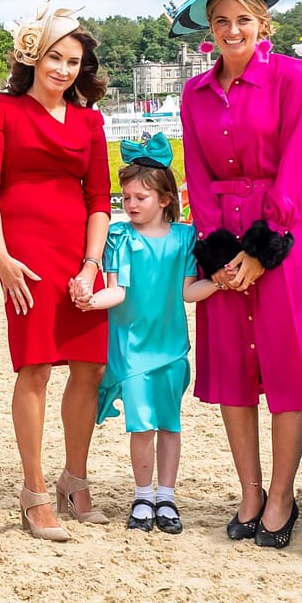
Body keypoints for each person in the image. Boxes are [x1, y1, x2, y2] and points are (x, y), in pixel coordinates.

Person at [174, 0, 302, 550]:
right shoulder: (194, 92)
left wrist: (264, 250)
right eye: (220, 22)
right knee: (234, 370)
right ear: (209, 32)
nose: (231, 31)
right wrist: (218, 255)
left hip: (282, 241)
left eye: (242, 19)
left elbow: (298, 159)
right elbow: (196, 170)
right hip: (221, 239)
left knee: (285, 369)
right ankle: (251, 490)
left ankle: (284, 494)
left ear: (263, 22)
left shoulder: (291, 77)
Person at [0, 3, 114, 543]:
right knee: (34, 369)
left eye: (74, 61)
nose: (63, 69)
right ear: (33, 57)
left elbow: (100, 197)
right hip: (24, 258)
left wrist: (91, 264)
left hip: (80, 255)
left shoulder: (89, 121)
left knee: (89, 369)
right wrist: (2, 257)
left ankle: (72, 479)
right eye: (55, 57)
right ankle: (33, 493)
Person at [82, 136, 218, 534]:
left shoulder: (184, 238)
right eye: (126, 197)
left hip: (172, 349)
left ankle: (168, 497)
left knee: (170, 425)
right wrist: (90, 300)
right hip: (131, 350)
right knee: (141, 426)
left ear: (164, 199)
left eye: (140, 197)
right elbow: (117, 291)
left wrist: (221, 283)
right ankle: (143, 495)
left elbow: (187, 293)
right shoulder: (120, 237)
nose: (130, 204)